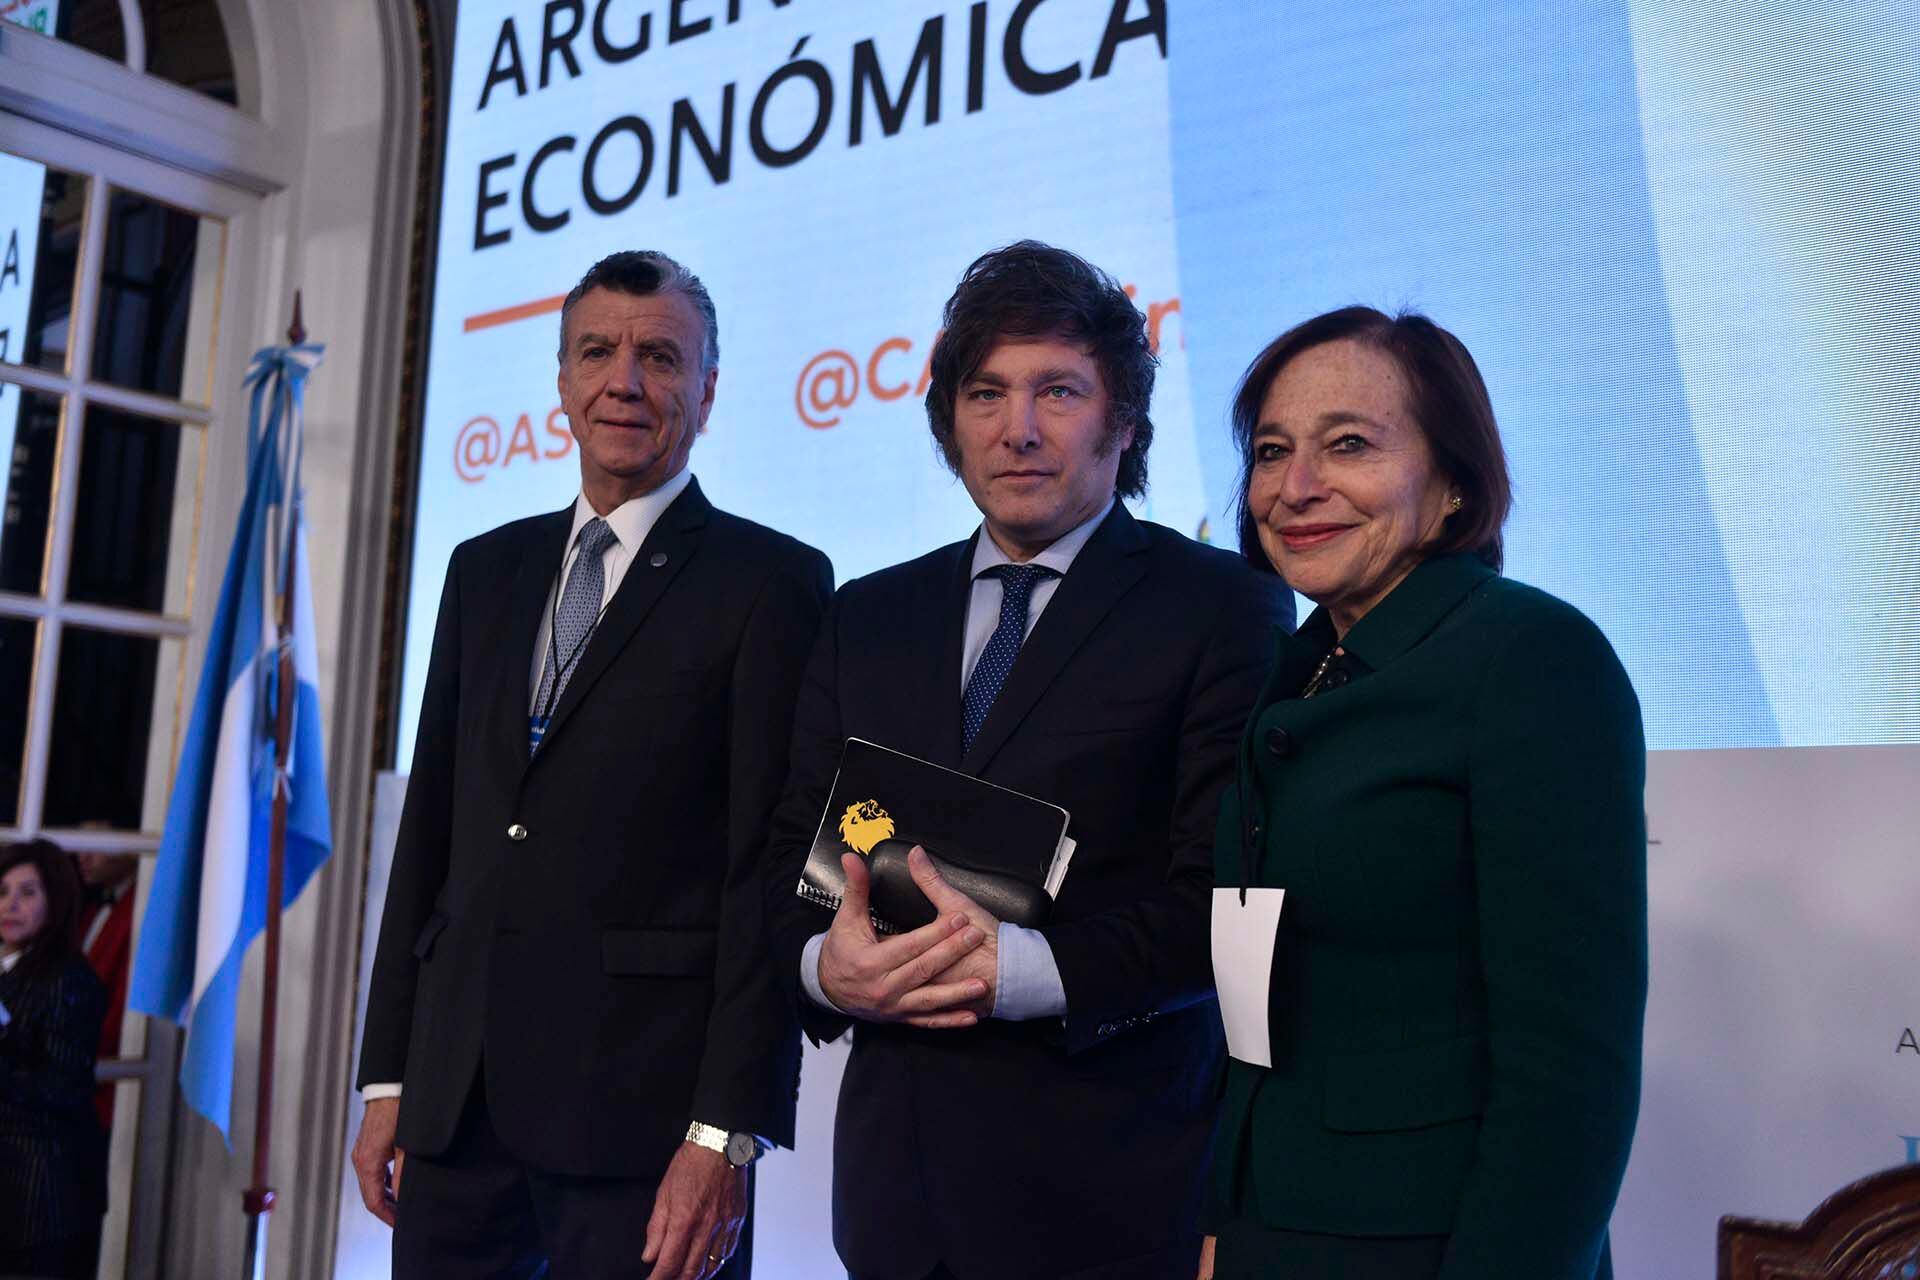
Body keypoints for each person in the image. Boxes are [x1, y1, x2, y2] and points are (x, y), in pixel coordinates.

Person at [767, 240, 1293, 1280]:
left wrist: (1022, 972)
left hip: (1112, 1195)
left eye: (1058, 390)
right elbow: (788, 857)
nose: (1018, 427)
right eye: (986, 393)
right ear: (950, 424)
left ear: (1123, 422)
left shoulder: (1221, 607)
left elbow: (1227, 899)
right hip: (895, 1201)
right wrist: (824, 968)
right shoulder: (866, 616)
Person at [352, 250, 833, 1280]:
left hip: (643, 1125)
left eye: (660, 357)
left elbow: (767, 872)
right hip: (457, 1106)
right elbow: (432, 832)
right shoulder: (482, 569)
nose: (625, 381)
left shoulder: (772, 583)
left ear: (707, 390)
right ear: (562, 381)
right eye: (597, 352)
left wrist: (725, 1133)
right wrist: (388, 1075)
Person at [1200, 307, 1646, 1279]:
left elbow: (1569, 1070)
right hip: (1270, 1231)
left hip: (1433, 1246)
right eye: (1272, 451)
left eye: (1348, 444)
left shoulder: (1533, 656)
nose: (1295, 486)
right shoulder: (1301, 669)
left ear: (1453, 483)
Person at [0, 839, 108, 1280]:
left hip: (40, 1202)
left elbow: (64, 1087)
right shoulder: (10, 968)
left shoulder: (68, 979)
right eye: (3, 891)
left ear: (55, 902)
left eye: (27, 893)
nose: (10, 905)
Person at [76, 848, 139, 1131]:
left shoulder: (137, 910)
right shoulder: (92, 906)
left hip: (105, 1090)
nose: (83, 855)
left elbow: (120, 1010)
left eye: (96, 843)